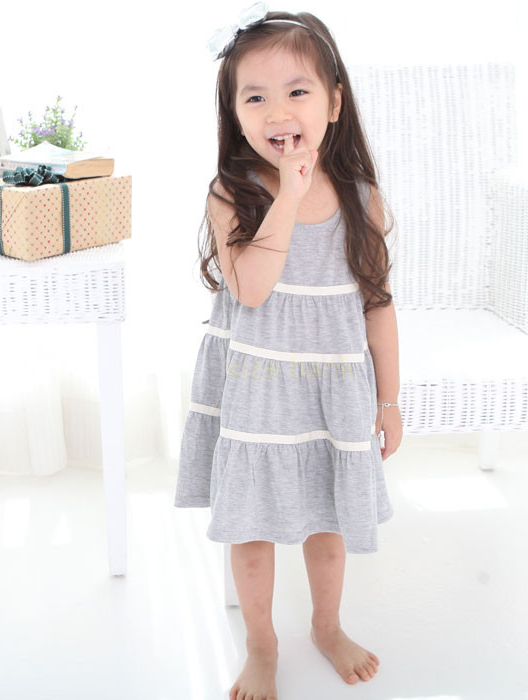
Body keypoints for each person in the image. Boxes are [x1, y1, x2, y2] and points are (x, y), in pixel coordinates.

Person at [175, 3, 403, 698]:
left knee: (326, 523)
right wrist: (287, 197)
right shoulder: (232, 194)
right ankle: (261, 643)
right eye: (255, 97)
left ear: (333, 103)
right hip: (257, 392)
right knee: (251, 530)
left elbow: (378, 307)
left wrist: (389, 400)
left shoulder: (361, 199)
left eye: (296, 91)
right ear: (234, 114)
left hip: (329, 392)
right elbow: (251, 288)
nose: (277, 111)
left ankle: (326, 626)